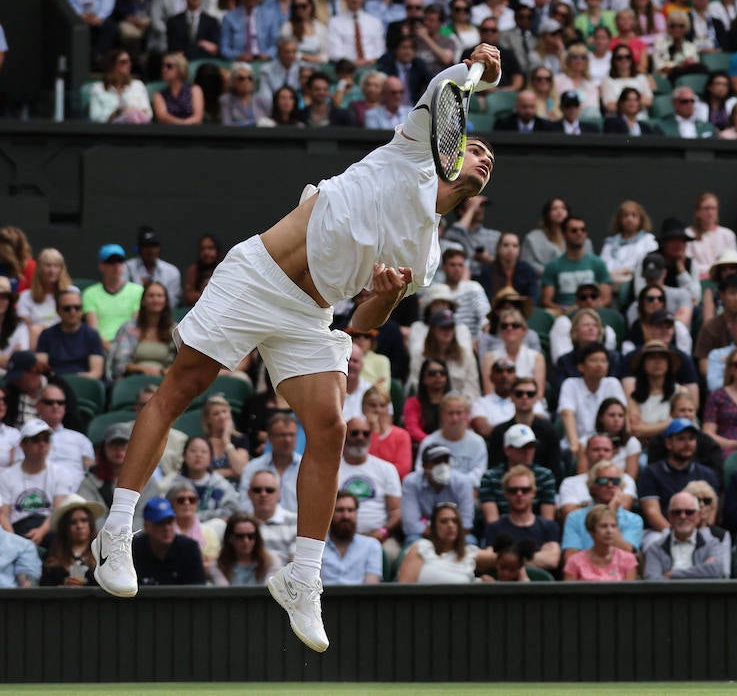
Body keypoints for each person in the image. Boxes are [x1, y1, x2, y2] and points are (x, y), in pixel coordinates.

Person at [92, 50, 503, 653]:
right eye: (479, 149)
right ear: (452, 143)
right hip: (258, 276)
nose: (486, 160)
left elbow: (363, 323)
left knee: (331, 427)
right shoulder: (414, 148)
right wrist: (479, 68)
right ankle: (117, 529)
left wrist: (386, 297)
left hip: (312, 315)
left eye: (494, 161)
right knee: (180, 389)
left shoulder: (427, 255)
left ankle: (302, 576)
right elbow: (453, 85)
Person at [642, 490, 730, 579]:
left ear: (698, 516)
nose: (683, 516)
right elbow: (652, 580)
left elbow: (715, 570)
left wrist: (672, 574)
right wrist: (701, 571)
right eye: (677, 512)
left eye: (689, 512)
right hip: (667, 593)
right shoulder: (656, 548)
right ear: (669, 516)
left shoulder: (713, 544)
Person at [396, 502, 490, 584]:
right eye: (444, 521)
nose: (450, 525)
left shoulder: (469, 553)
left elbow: (500, 557)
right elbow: (404, 591)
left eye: (455, 521)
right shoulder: (421, 547)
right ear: (434, 527)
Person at [131, 496, 206, 586]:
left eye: (170, 522)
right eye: (160, 523)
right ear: (147, 526)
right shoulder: (134, 549)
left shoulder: (189, 548)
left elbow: (198, 589)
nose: (166, 528)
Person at [562, 503, 640, 581]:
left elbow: (631, 591)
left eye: (613, 526)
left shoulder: (628, 559)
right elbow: (568, 592)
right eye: (603, 526)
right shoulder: (574, 561)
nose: (609, 531)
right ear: (591, 530)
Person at [39, 494, 104, 586]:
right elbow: (44, 587)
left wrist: (86, 584)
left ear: (91, 524)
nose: (79, 526)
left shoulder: (102, 553)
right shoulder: (52, 555)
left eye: (84, 520)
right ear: (65, 527)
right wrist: (63, 585)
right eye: (73, 522)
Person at [320, 491, 382, 585]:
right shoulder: (318, 546)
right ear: (330, 513)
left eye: (350, 510)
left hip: (360, 599)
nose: (346, 516)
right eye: (340, 510)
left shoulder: (371, 546)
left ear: (356, 513)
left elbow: (371, 588)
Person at [210, 514, 278, 586]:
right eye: (240, 536)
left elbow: (268, 591)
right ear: (230, 538)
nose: (246, 541)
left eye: (251, 536)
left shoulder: (270, 562)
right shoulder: (218, 564)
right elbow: (223, 592)